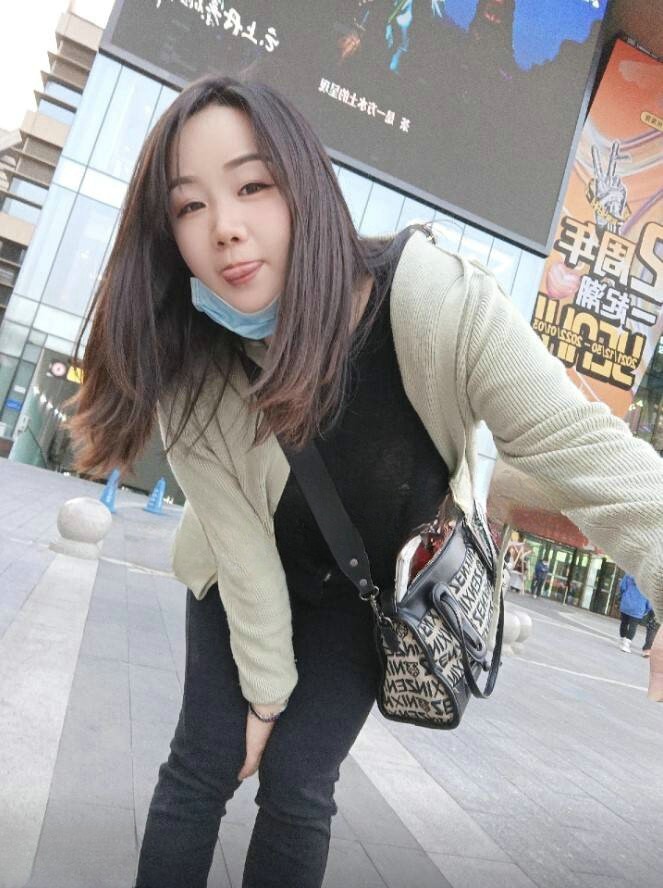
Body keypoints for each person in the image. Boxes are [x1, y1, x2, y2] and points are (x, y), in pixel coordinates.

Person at [68, 76, 663, 888]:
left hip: (361, 594)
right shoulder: (194, 365)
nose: (225, 228)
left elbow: (573, 440)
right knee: (204, 761)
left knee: (298, 783)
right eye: (189, 206)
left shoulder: (434, 301)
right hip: (241, 579)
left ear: (305, 187)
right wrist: (264, 700)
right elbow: (240, 551)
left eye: (251, 187)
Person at [618, 574, 651, 653]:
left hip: (626, 603)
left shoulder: (629, 574)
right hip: (639, 606)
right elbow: (649, 597)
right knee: (633, 626)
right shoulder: (649, 580)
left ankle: (622, 640)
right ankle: (626, 645)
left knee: (624, 623)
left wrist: (623, 596)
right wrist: (647, 608)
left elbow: (622, 586)